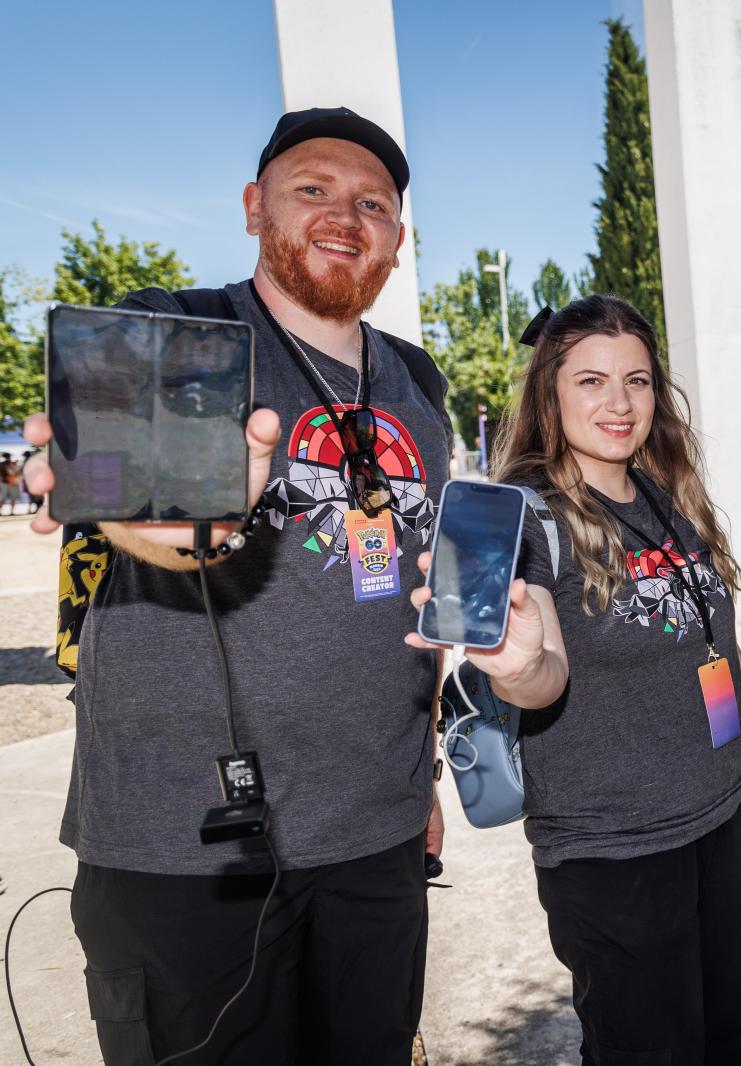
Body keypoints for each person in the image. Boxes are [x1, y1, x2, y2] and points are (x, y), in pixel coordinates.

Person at [20, 106, 461, 1065]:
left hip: (376, 839)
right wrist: (166, 528)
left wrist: (420, 776)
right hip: (186, 849)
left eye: (373, 204)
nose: (344, 215)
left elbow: (411, 596)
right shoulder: (178, 331)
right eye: (314, 189)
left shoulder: (418, 381)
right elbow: (133, 492)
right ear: (256, 207)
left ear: (396, 238)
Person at [411, 293, 741, 1064]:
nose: (620, 403)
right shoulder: (528, 519)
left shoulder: (666, 497)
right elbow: (543, 676)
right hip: (614, 853)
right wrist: (521, 668)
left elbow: (718, 651)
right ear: (550, 395)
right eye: (591, 381)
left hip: (723, 820)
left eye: (637, 380)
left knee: (737, 1035)